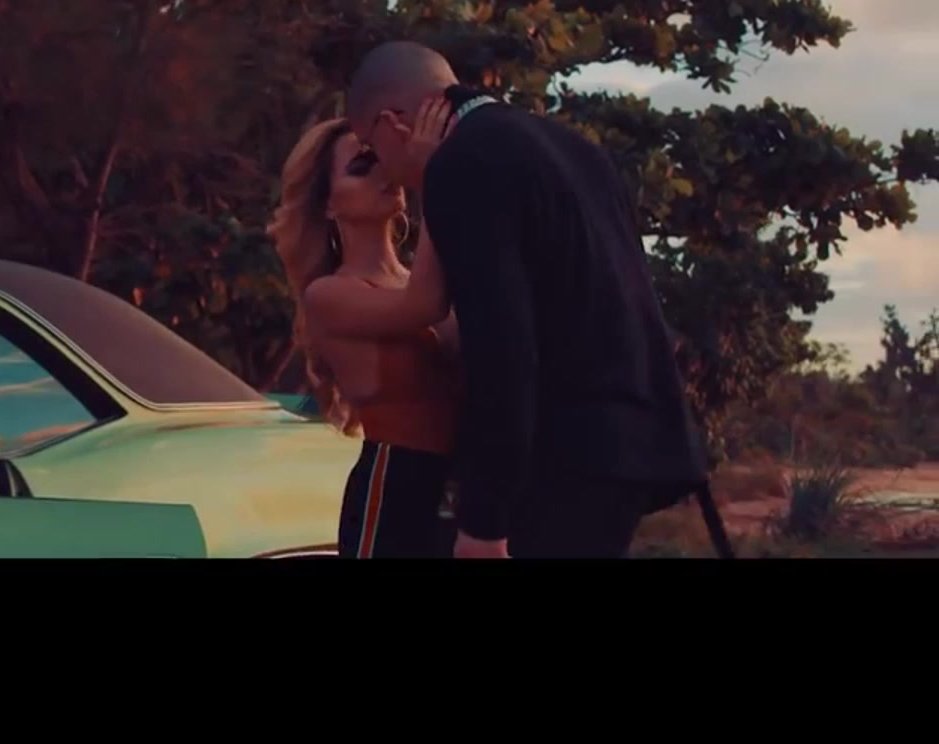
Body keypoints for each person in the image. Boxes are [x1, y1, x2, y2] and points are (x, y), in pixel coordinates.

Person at [344, 40, 711, 558]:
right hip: (634, 446)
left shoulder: (464, 163)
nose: (381, 167)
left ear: (390, 122)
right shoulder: (573, 147)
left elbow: (502, 346)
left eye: (369, 149)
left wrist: (485, 518)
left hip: (564, 459)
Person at [268, 101, 465, 557]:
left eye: (382, 158)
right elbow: (424, 305)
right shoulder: (329, 294)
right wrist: (433, 177)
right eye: (361, 166)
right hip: (394, 490)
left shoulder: (417, 278)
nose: (382, 172)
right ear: (327, 204)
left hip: (460, 490)